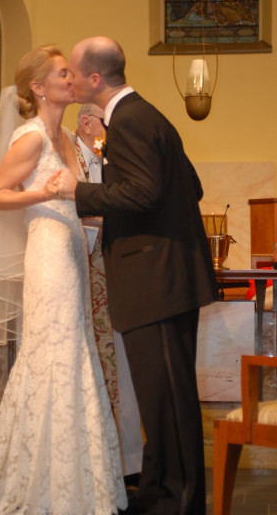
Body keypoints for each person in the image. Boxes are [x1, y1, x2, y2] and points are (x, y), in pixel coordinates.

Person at [0, 44, 128, 515]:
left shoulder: (66, 136)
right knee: (53, 353)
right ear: (38, 87)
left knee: (74, 351)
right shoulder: (30, 138)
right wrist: (40, 194)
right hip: (47, 255)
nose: (72, 78)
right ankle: (45, 482)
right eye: (63, 73)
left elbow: (76, 197)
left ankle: (75, 481)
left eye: (71, 71)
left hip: (73, 251)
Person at [57, 37, 218, 515]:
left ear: (94, 80)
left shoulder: (127, 122)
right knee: (162, 396)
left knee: (167, 399)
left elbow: (144, 193)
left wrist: (79, 192)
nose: (69, 77)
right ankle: (158, 491)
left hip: (156, 280)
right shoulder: (148, 115)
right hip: (165, 277)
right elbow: (189, 184)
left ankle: (178, 500)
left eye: (74, 71)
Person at [73, 103, 143, 480]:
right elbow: (72, 207)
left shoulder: (110, 156)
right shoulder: (68, 154)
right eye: (106, 123)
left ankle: (128, 459)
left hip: (113, 269)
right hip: (82, 268)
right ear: (87, 124)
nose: (111, 131)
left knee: (122, 361)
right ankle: (92, 459)